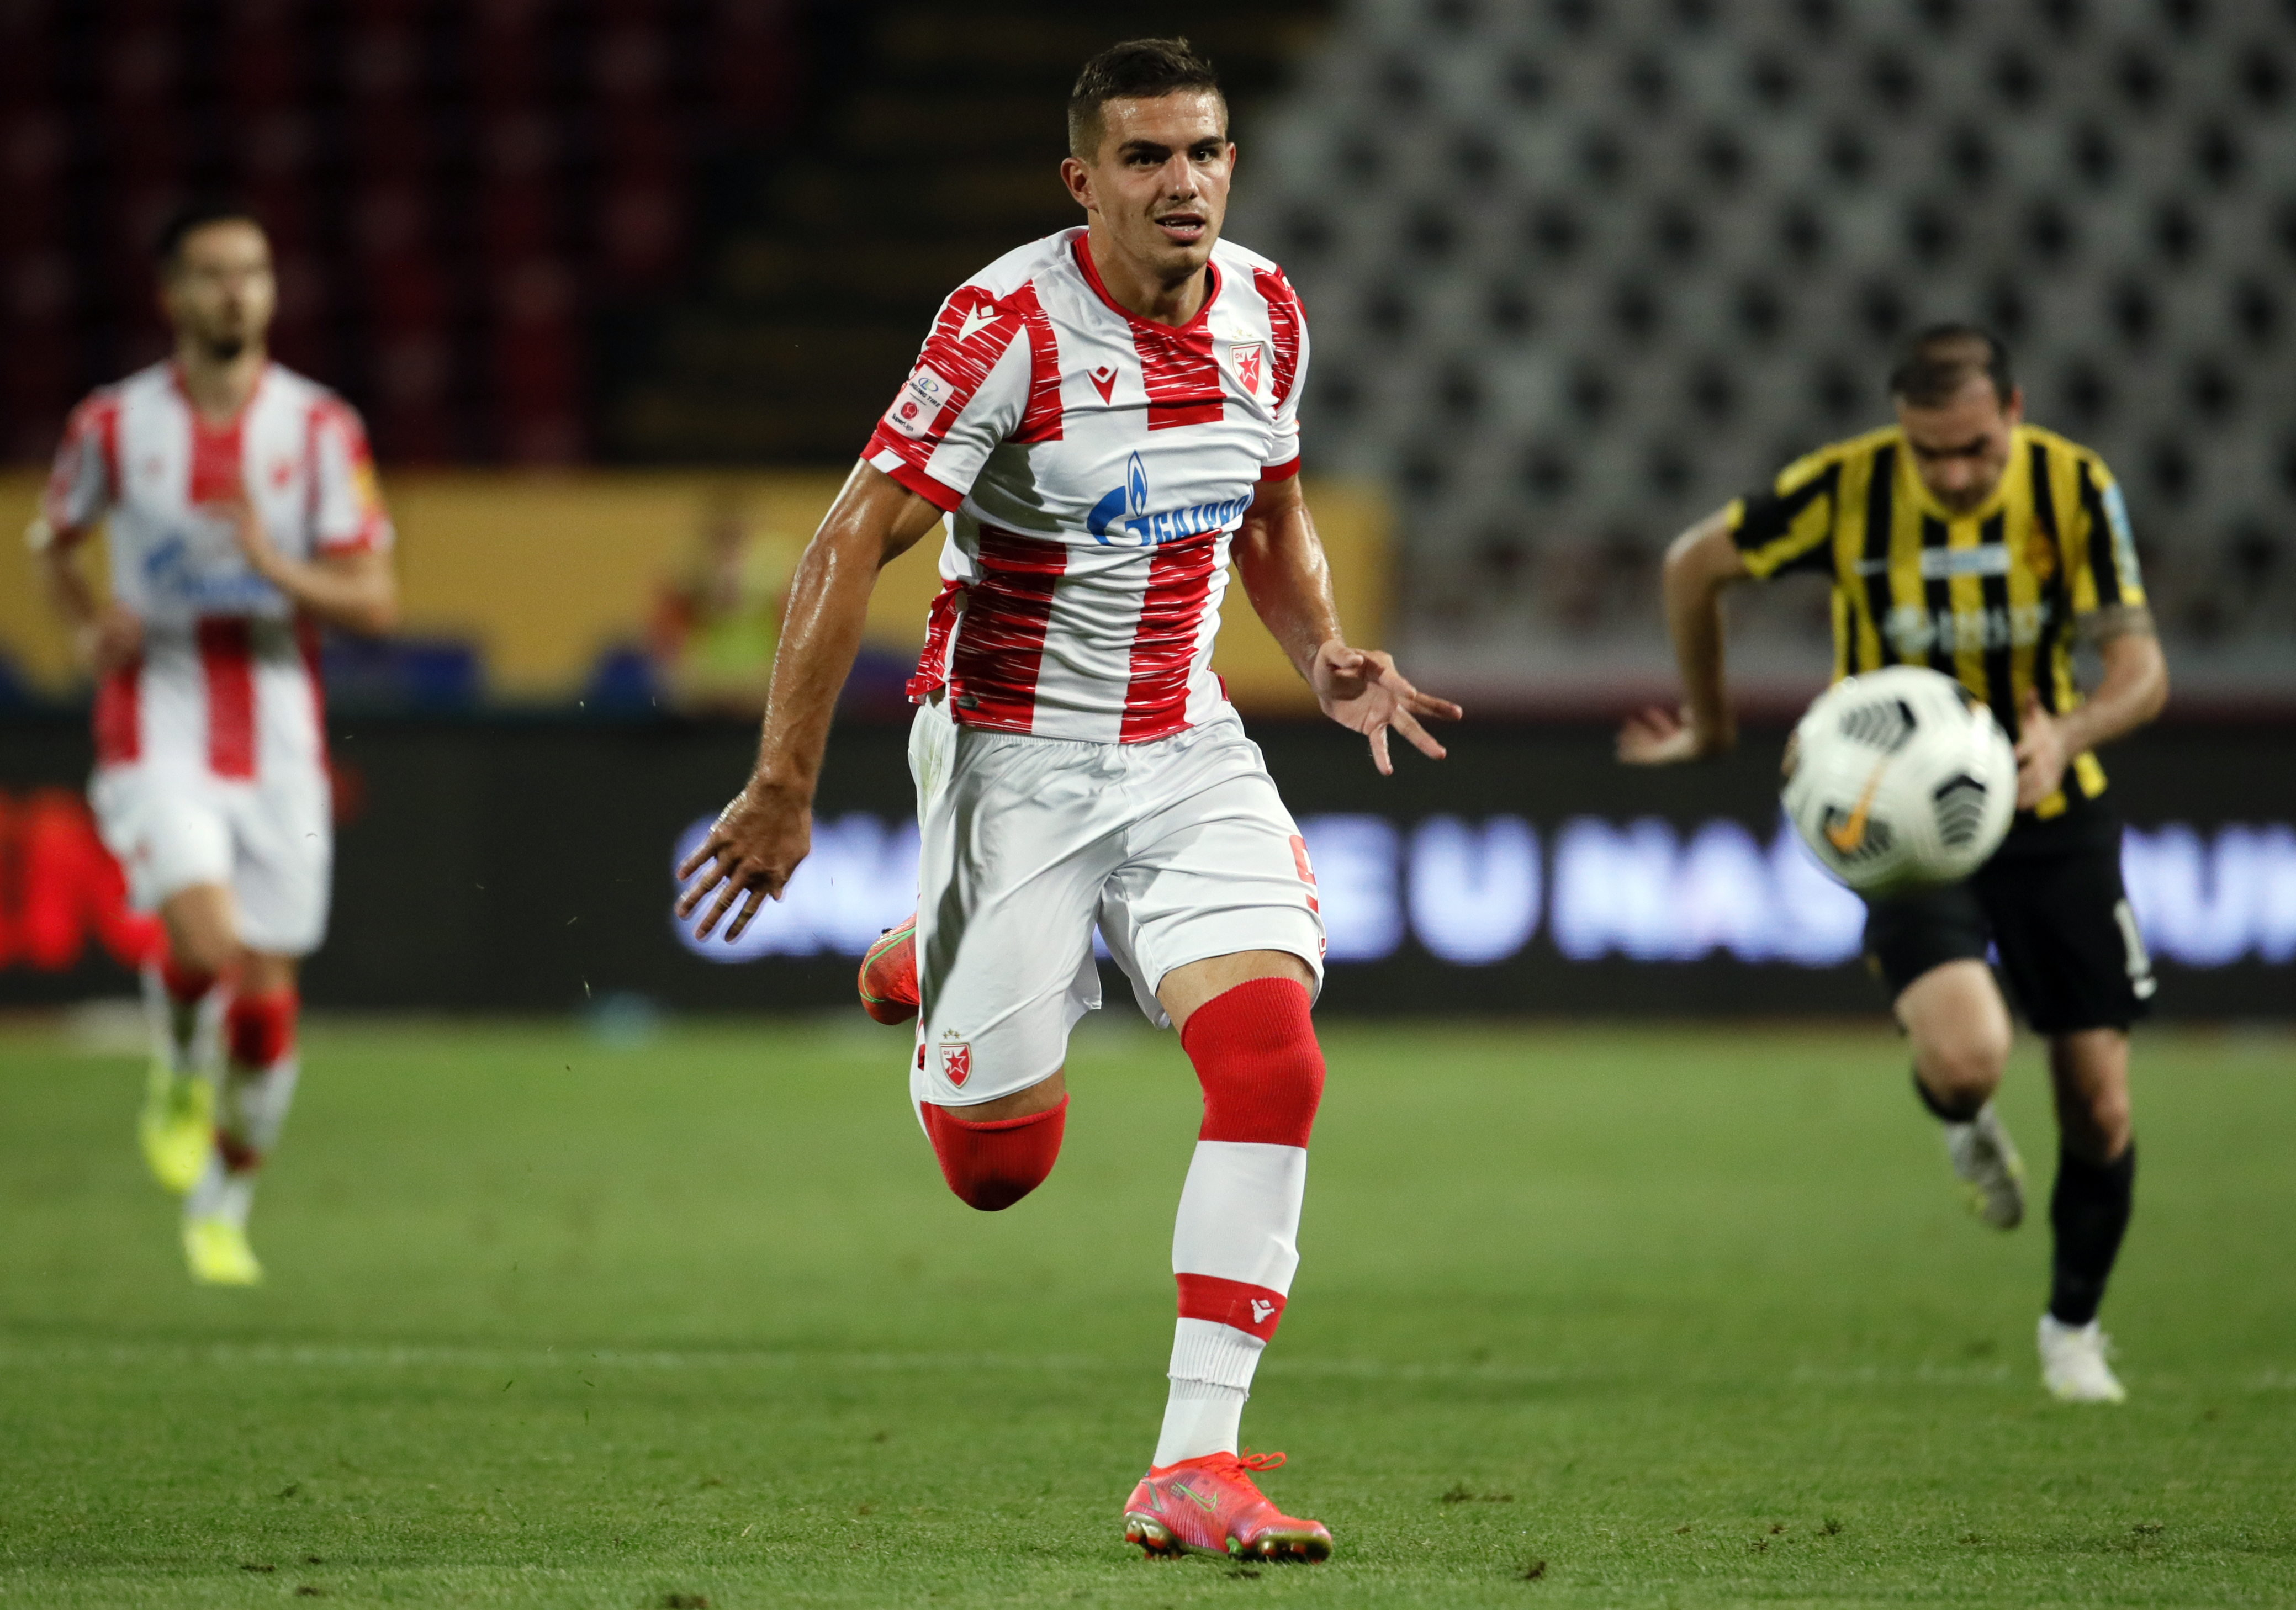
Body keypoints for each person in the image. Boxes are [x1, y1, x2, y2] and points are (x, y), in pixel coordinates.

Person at [676, 38, 1456, 1560]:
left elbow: (1272, 514)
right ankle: (934, 955)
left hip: (1184, 741)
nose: (1184, 184)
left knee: (1270, 1061)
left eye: (1205, 153)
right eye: (1149, 158)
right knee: (994, 1171)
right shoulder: (1003, 323)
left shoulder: (1266, 308)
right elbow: (851, 539)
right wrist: (781, 784)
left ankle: (1192, 1462)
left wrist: (1324, 648)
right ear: (1081, 179)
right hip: (1009, 760)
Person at [1620, 325, 2167, 1404]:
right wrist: (1716, 725)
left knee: (2098, 1104)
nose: (1952, 475)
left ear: (2013, 411)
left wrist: (2069, 734)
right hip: (1904, 826)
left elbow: (2142, 671)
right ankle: (1965, 1124)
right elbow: (1696, 564)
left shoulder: (2073, 486)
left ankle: (2073, 1330)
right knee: (1969, 1060)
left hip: (2053, 810)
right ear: (1900, 436)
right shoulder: (1848, 489)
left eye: (1973, 449)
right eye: (1929, 453)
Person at [31, 202, 398, 1286]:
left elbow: (377, 602)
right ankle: (179, 1075)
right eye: (212, 274)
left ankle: (224, 1200)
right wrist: (84, 625)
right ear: (172, 294)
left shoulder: (322, 429)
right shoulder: (111, 424)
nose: (235, 291)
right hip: (159, 715)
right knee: (203, 943)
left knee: (270, 990)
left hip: (281, 732)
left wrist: (275, 568)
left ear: (272, 291)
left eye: (253, 272)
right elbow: (54, 539)